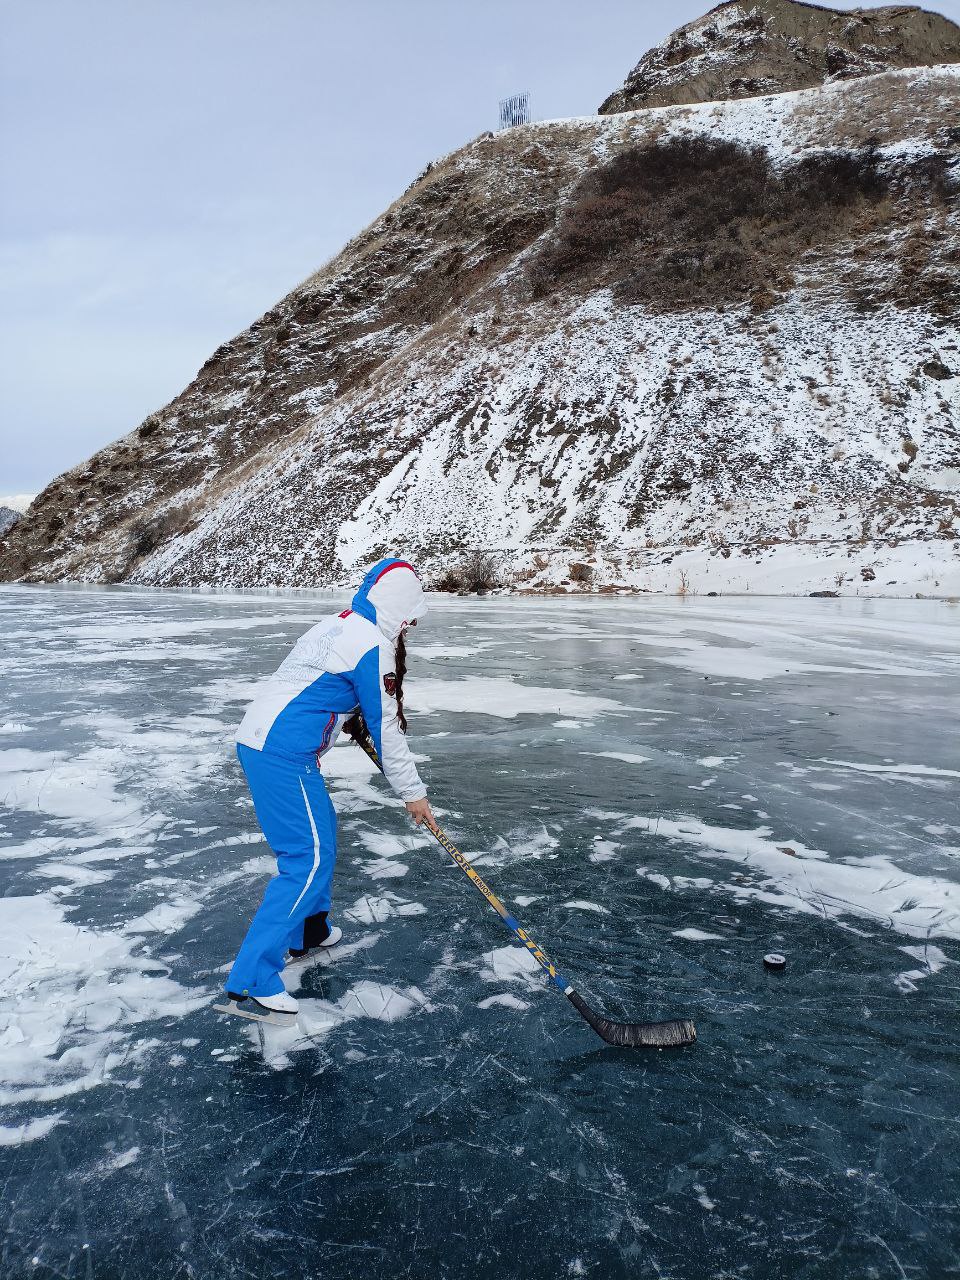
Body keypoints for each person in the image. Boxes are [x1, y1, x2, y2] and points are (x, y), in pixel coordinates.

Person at [221, 557, 435, 1023]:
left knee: (321, 843)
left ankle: (309, 932)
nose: (411, 627)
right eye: (410, 619)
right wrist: (412, 792)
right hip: (282, 753)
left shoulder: (339, 624)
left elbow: (324, 685)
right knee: (307, 858)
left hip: (265, 740)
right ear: (399, 610)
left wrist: (347, 711)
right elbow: (387, 728)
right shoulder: (373, 646)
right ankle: (252, 982)